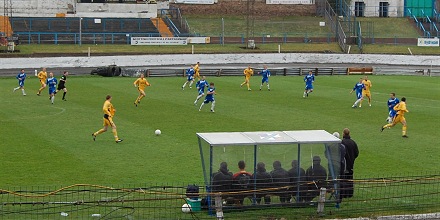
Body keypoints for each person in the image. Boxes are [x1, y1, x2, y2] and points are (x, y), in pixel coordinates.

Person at [325, 132, 346, 203]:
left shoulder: (329, 147)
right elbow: (343, 155)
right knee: (340, 180)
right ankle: (339, 196)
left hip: (332, 165)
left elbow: (326, 155)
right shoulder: (342, 146)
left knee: (331, 179)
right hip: (341, 165)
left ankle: (331, 193)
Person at [340, 128, 359, 198]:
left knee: (343, 178)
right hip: (351, 163)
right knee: (350, 178)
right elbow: (357, 153)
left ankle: (344, 193)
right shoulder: (353, 142)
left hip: (344, 163)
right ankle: (350, 194)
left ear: (343, 133)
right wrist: (352, 158)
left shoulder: (342, 142)